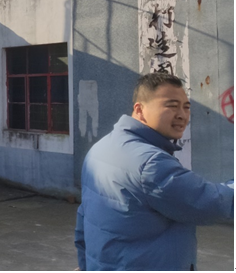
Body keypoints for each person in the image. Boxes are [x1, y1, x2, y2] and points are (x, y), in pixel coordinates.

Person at [74, 73, 234, 270]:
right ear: (139, 110)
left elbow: (83, 221)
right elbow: (212, 203)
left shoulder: (99, 148)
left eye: (186, 107)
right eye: (172, 106)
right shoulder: (151, 163)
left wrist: (86, 266)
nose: (182, 115)